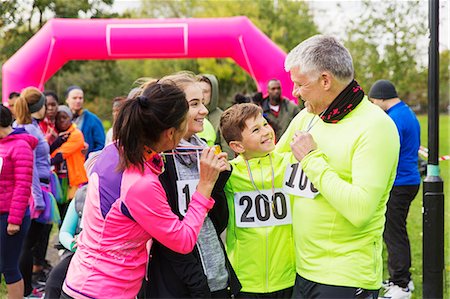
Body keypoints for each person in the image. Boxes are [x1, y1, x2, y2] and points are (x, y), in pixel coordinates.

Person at [61, 81, 228, 299]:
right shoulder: (140, 184)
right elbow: (184, 240)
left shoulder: (116, 148)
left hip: (81, 280)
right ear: (170, 134)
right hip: (103, 292)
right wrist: (205, 185)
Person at [276, 35, 400, 298]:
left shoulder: (375, 127)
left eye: (299, 85)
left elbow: (360, 209)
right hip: (302, 270)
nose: (294, 93)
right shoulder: (308, 116)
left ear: (325, 80)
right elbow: (273, 165)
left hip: (346, 276)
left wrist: (311, 160)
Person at [140, 72, 241, 298]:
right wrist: (198, 286)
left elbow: (216, 224)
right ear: (172, 110)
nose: (204, 111)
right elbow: (169, 239)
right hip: (182, 286)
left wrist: (217, 182)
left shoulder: (202, 150)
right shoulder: (159, 161)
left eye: (203, 103)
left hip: (216, 277)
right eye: (195, 104)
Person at [220, 103, 296, 298]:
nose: (266, 132)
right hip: (246, 280)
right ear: (237, 146)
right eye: (256, 129)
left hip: (288, 276)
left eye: (265, 124)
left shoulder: (289, 163)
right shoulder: (229, 174)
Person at [369, 79, 420, 299]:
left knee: (393, 234)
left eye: (373, 100)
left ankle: (401, 285)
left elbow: (387, 151)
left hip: (400, 183)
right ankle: (402, 278)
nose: (373, 105)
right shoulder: (405, 112)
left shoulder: (394, 119)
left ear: (381, 97)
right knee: (396, 231)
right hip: (407, 180)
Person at [13, 87, 53, 298]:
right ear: (39, 107)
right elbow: (31, 169)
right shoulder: (28, 130)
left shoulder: (29, 126)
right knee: (27, 244)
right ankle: (26, 291)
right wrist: (37, 199)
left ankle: (26, 289)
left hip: (39, 189)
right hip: (34, 192)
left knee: (29, 242)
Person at [0, 105, 36, 299]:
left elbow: (22, 185)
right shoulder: (2, 143)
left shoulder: (20, 146)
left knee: (9, 267)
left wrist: (14, 220)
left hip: (11, 217)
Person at [50, 105, 88, 219]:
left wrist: (44, 160)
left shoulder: (76, 134)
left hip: (73, 182)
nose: (61, 120)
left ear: (70, 118)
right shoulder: (53, 135)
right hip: (57, 180)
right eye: (58, 118)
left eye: (64, 117)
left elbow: (60, 155)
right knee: (59, 215)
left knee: (69, 215)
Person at [197, 74, 234, 159]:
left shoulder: (224, 118)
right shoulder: (188, 115)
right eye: (198, 91)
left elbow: (228, 154)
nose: (201, 95)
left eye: (205, 91)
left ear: (213, 94)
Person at [65, 85, 105, 157]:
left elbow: (101, 145)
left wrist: (90, 158)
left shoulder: (93, 120)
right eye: (74, 98)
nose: (78, 101)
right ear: (67, 100)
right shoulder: (61, 119)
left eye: (80, 98)